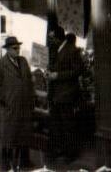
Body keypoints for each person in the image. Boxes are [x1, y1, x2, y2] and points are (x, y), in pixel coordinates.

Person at [0, 33, 35, 172]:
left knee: (23, 134)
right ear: (8, 49)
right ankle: (6, 164)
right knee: (8, 136)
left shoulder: (23, 61)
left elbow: (28, 81)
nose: (17, 50)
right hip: (9, 107)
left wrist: (31, 98)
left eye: (18, 48)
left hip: (24, 105)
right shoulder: (1, 64)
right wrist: (3, 101)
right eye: (14, 48)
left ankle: (24, 161)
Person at [46, 30, 85, 166]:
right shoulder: (57, 50)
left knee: (68, 125)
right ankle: (61, 151)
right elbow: (59, 67)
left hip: (67, 94)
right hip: (57, 95)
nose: (50, 40)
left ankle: (70, 154)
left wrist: (57, 75)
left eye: (52, 38)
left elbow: (78, 70)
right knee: (58, 125)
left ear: (59, 38)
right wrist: (49, 71)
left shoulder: (72, 50)